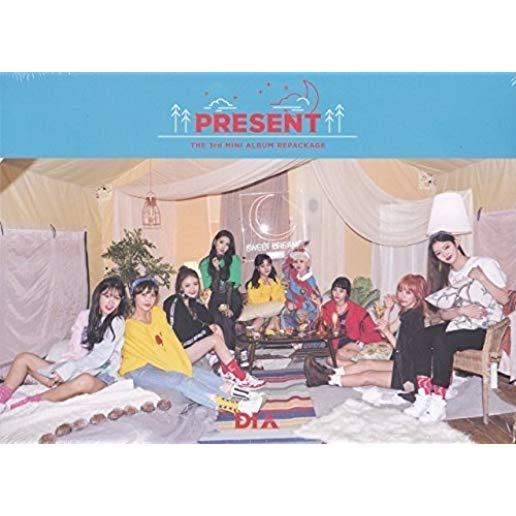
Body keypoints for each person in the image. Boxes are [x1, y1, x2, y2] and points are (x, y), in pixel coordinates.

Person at [404, 231, 509, 423]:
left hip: (486, 330)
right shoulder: (450, 276)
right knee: (420, 337)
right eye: (438, 253)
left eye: (447, 247)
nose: (445, 254)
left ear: (456, 243)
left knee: (443, 341)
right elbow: (444, 314)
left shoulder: (484, 264)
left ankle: (438, 403)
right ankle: (423, 396)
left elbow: (505, 299)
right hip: (462, 324)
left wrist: (482, 278)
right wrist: (462, 310)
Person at [120, 277, 264, 416]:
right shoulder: (131, 325)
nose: (148, 300)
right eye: (143, 295)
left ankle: (245, 394)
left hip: (160, 361)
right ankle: (236, 406)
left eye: (152, 295)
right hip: (139, 369)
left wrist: (182, 361)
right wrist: (180, 367)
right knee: (180, 378)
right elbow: (156, 354)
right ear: (134, 297)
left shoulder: (157, 314)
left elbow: (170, 341)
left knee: (198, 373)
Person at [0, 276, 127, 414]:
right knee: (24, 358)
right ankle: (1, 399)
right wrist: (60, 369)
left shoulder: (117, 322)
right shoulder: (85, 316)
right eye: (107, 296)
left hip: (99, 377)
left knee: (84, 380)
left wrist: (68, 369)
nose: (110, 302)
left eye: (116, 298)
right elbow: (74, 350)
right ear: (98, 295)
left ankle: (30, 402)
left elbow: (99, 357)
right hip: (71, 373)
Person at [305, 274, 428, 393]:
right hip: (403, 362)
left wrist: (386, 332)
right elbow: (384, 333)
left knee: (368, 376)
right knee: (368, 364)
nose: (402, 295)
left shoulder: (415, 319)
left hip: (411, 373)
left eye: (408, 293)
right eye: (400, 290)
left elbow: (403, 350)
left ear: (418, 295)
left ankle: (327, 379)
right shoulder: (408, 313)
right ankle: (330, 373)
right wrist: (387, 309)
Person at [163, 266, 264, 388]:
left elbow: (210, 321)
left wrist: (207, 320)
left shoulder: (194, 303)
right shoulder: (173, 302)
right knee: (214, 339)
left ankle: (226, 371)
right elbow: (182, 334)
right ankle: (241, 377)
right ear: (180, 287)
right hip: (177, 353)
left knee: (217, 328)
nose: (193, 289)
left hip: (190, 349)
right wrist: (206, 333)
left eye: (195, 284)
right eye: (187, 285)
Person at [199, 230, 243, 350]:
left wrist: (228, 306)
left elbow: (231, 285)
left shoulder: (234, 260)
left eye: (227, 244)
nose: (223, 247)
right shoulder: (205, 263)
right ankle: (226, 352)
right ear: (215, 242)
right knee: (217, 318)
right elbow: (212, 288)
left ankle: (229, 351)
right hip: (216, 298)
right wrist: (217, 270)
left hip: (232, 297)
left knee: (226, 318)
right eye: (221, 242)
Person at [322, 276, 384, 361]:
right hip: (334, 341)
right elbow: (322, 326)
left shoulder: (356, 310)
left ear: (347, 293)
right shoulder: (327, 307)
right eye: (335, 290)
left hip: (353, 341)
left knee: (337, 355)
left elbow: (370, 328)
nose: (337, 293)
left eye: (341, 291)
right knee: (332, 357)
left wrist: (377, 342)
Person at [280, 244, 322, 332]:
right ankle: (291, 336)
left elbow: (315, 301)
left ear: (308, 263)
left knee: (304, 321)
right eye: (295, 261)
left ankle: (305, 332)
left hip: (309, 312)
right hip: (295, 311)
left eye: (301, 261)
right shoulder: (293, 276)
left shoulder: (310, 281)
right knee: (284, 317)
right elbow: (285, 267)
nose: (298, 264)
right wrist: (289, 303)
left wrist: (298, 305)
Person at [245, 253, 285, 334]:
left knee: (275, 318)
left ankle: (270, 332)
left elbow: (280, 299)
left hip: (273, 312)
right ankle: (252, 332)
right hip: (256, 313)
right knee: (261, 319)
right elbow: (256, 303)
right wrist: (267, 287)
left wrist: (272, 285)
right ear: (257, 268)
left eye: (268, 265)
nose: (266, 269)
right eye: (262, 266)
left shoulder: (275, 281)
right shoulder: (253, 284)